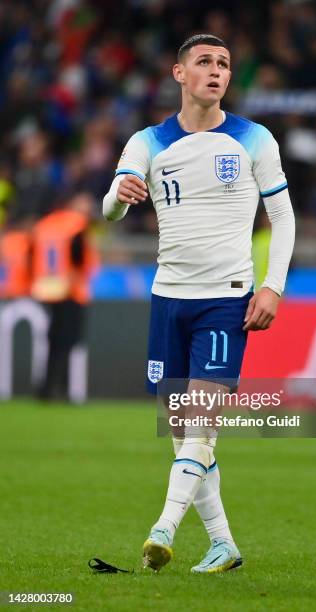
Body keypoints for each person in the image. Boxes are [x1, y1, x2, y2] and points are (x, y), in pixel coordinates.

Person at [103, 34, 295, 574]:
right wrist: (119, 194)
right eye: (204, 62)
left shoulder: (254, 139)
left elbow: (282, 218)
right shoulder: (148, 141)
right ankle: (223, 545)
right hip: (168, 300)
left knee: (200, 424)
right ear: (179, 73)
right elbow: (109, 209)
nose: (216, 71)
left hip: (226, 299)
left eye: (225, 64)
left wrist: (272, 285)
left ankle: (162, 529)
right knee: (183, 433)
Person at [31, 193, 98, 402]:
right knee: (67, 341)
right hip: (70, 290)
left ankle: (47, 387)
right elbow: (77, 255)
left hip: (48, 288)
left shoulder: (46, 224)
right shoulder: (76, 224)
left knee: (53, 341)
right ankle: (59, 388)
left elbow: (32, 253)